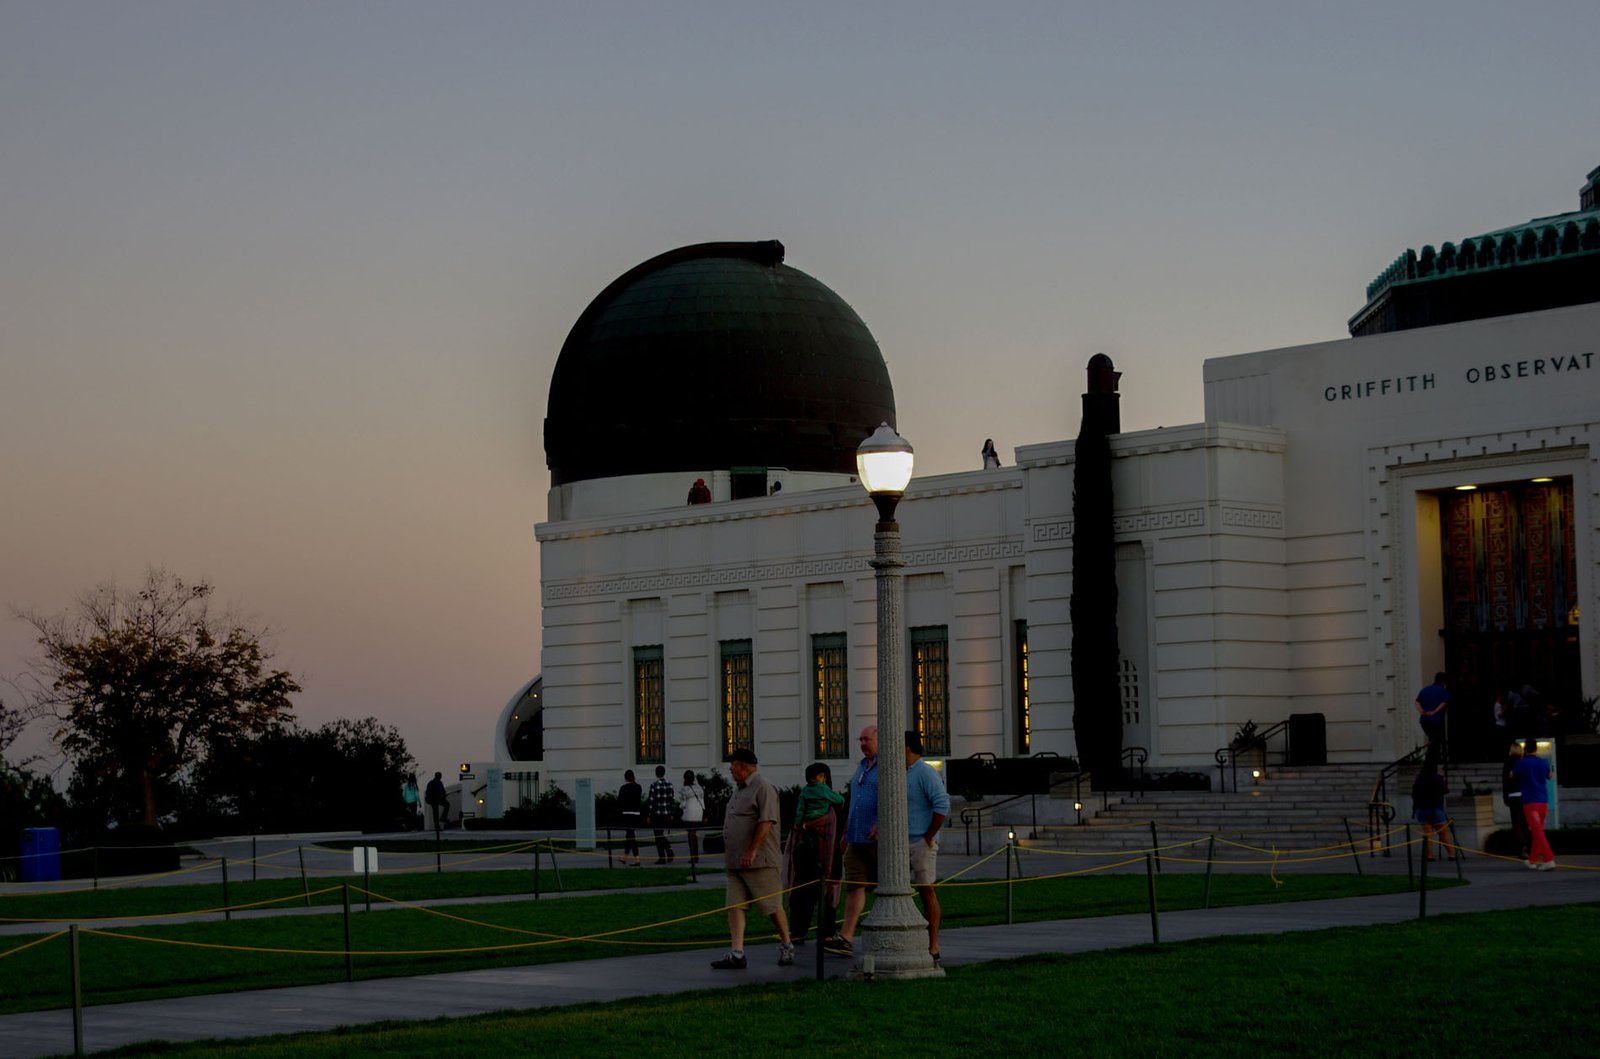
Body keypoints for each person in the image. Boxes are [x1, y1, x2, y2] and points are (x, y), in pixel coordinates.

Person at [711, 748, 793, 969]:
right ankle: (737, 953)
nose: (730, 769)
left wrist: (752, 850)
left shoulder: (763, 788)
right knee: (735, 905)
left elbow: (767, 821)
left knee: (771, 906)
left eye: (733, 765)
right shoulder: (738, 790)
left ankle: (787, 945)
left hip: (760, 863)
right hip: (735, 862)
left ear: (744, 766)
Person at [825, 725, 879, 957]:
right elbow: (854, 801)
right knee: (855, 887)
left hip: (877, 841)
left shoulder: (887, 766)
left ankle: (886, 931)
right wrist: (846, 831)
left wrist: (882, 824)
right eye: (860, 740)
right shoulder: (861, 767)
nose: (862, 744)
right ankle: (846, 937)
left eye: (866, 739)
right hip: (856, 839)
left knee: (885, 888)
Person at [905, 730, 950, 963]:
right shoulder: (901, 773)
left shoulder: (924, 772)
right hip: (901, 843)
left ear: (907, 749)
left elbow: (942, 804)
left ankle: (933, 944)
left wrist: (929, 836)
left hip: (921, 840)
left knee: (927, 890)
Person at [785, 762, 842, 944]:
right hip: (809, 852)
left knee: (827, 893)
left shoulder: (808, 794)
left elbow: (801, 818)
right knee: (804, 891)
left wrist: (806, 825)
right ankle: (800, 931)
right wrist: (811, 825)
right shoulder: (826, 794)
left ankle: (824, 932)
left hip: (828, 854)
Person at [1511, 738, 1556, 870]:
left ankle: (1548, 858)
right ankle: (1533, 859)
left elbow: (1511, 775)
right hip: (1543, 800)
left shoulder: (1521, 763)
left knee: (1537, 831)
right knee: (1538, 831)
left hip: (1530, 801)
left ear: (1525, 749)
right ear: (1536, 749)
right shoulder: (1543, 762)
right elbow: (1550, 776)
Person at [1409, 753, 1455, 861]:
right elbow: (1445, 790)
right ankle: (1451, 854)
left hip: (1421, 808)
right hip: (1435, 808)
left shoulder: (1419, 778)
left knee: (1427, 834)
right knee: (1443, 833)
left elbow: (1414, 792)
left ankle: (1429, 855)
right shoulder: (1437, 778)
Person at [1502, 741, 1530, 861]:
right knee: (1525, 823)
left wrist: (1505, 796)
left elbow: (1505, 781)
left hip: (1513, 795)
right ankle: (1529, 847)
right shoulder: (1524, 762)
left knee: (1516, 823)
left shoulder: (1508, 763)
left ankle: (1521, 848)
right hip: (1525, 794)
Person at [647, 765, 677, 864]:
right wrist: (672, 813)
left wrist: (649, 815)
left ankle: (663, 855)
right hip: (666, 813)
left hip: (657, 813)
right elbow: (672, 800)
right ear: (664, 773)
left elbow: (651, 801)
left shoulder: (654, 785)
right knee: (660, 833)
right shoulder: (670, 785)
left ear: (656, 773)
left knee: (658, 835)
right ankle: (667, 851)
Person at [679, 769, 707, 863]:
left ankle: (694, 855)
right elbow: (703, 802)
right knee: (693, 833)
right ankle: (695, 855)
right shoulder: (699, 788)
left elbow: (683, 804)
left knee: (691, 834)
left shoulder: (684, 789)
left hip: (689, 814)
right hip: (699, 813)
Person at [1414, 672, 1448, 749]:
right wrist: (1434, 712)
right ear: (1443, 681)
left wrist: (1422, 711)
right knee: (1436, 742)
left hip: (1424, 721)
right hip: (1436, 721)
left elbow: (1417, 702)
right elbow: (1444, 703)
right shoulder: (1443, 691)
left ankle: (1433, 759)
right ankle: (1430, 760)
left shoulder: (1425, 690)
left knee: (1433, 740)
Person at [617, 770, 643, 866]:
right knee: (629, 835)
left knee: (631, 836)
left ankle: (637, 859)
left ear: (625, 778)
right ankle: (625, 857)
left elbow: (619, 801)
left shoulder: (623, 788)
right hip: (636, 813)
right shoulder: (638, 787)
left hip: (627, 814)